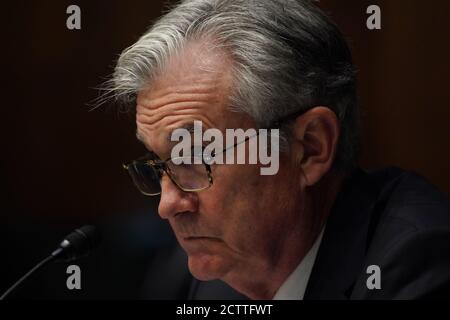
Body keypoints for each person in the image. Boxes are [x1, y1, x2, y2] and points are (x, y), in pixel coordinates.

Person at [106, 0, 450, 299]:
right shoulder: (216, 279)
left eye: (196, 157)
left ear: (309, 148)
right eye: (158, 164)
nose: (167, 206)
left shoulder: (415, 264)